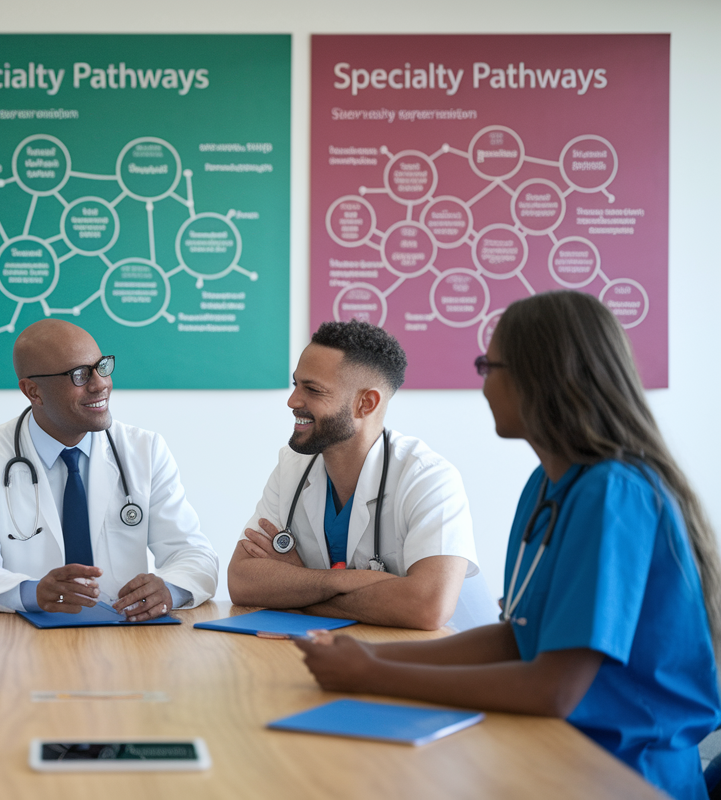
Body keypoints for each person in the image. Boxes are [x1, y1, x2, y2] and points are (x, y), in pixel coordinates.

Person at [295, 292, 721, 800]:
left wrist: (374, 674)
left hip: (625, 773)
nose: (482, 386)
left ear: (543, 375)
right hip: (553, 749)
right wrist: (364, 655)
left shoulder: (614, 494)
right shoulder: (546, 485)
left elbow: (553, 688)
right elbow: (517, 637)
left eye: (488, 366)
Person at [228, 320, 498, 631]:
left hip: (452, 659)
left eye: (312, 389)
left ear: (365, 403)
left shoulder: (428, 478)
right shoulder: (294, 466)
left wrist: (297, 588)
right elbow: (242, 580)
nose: (293, 402)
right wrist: (352, 580)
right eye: (295, 385)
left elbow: (426, 607)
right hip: (360, 646)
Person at [0, 319, 218, 619]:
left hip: (127, 638)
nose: (100, 384)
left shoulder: (144, 450)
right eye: (80, 375)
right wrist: (33, 592)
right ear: (33, 391)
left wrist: (169, 590)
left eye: (102, 366)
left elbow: (196, 556)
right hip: (23, 641)